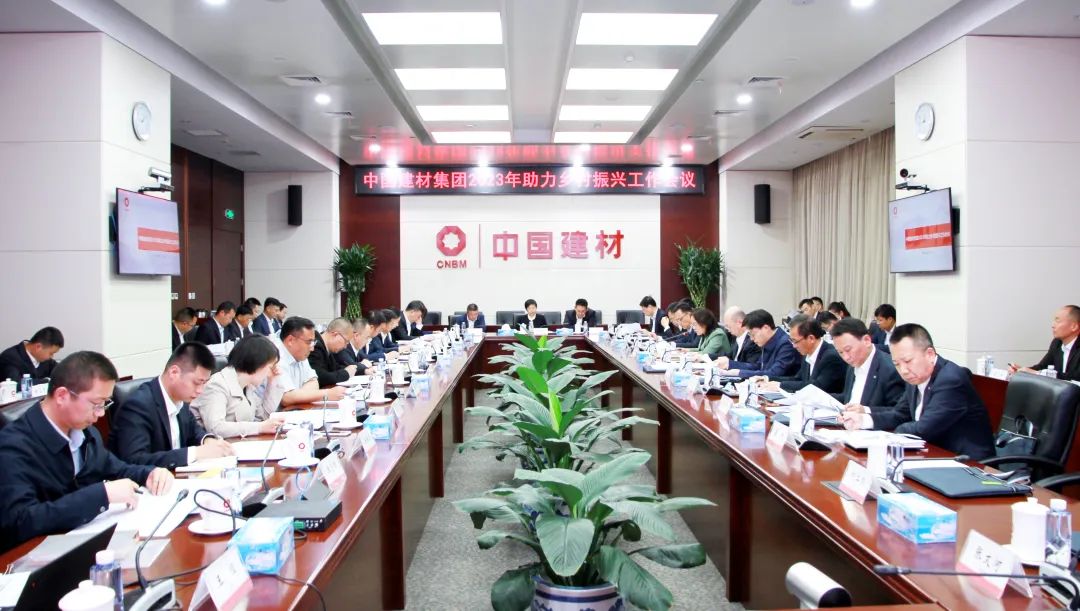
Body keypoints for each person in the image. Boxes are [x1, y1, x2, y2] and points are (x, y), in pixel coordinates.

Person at [0, 351, 174, 552]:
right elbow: (20, 521)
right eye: (97, 404)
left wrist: (149, 473)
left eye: (105, 404)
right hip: (34, 556)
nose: (100, 414)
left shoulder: (85, 432)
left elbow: (115, 468)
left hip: (86, 544)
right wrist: (100, 495)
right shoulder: (13, 446)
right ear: (62, 396)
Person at [841, 324, 995, 460]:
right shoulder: (916, 376)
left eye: (908, 361)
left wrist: (890, 434)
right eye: (897, 364)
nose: (903, 370)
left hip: (967, 463)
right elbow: (900, 414)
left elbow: (924, 429)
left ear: (930, 354)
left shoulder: (951, 380)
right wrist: (863, 420)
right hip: (932, 454)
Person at [109, 343, 233, 469]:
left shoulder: (181, 399)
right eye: (197, 383)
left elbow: (194, 430)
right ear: (174, 373)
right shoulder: (137, 406)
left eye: (204, 383)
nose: (200, 390)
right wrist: (195, 453)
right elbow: (135, 460)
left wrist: (207, 440)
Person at [190, 335, 285, 438]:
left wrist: (272, 381)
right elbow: (215, 428)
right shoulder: (217, 385)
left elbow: (264, 417)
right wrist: (259, 427)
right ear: (257, 363)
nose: (270, 373)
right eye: (270, 367)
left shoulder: (247, 386)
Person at [829, 318, 906, 408]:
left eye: (848, 350)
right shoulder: (852, 364)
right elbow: (850, 397)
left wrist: (865, 411)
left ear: (866, 340)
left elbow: (898, 411)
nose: (846, 357)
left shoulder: (890, 369)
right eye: (840, 352)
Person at [272, 317, 347, 407]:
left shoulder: (300, 354)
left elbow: (314, 381)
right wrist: (326, 394)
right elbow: (286, 398)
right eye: (309, 342)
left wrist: (297, 395)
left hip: (295, 409)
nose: (312, 348)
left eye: (313, 342)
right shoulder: (275, 356)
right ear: (290, 340)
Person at [715, 309, 801, 379]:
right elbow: (758, 367)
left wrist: (739, 373)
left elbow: (774, 373)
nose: (752, 339)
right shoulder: (767, 341)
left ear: (766, 328)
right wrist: (735, 370)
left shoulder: (786, 344)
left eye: (753, 334)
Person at [773, 316, 845, 393]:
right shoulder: (807, 353)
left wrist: (780, 385)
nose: (794, 346)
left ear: (811, 338)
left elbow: (817, 387)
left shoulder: (831, 356)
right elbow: (798, 379)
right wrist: (768, 379)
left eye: (795, 341)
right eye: (791, 341)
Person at [1010, 305, 1080, 381]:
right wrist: (1021, 371)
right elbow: (1042, 367)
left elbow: (1075, 376)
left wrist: (1037, 373)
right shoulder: (1057, 343)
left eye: (1058, 321)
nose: (1053, 325)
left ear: (1074, 326)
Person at [0, 326, 64, 383]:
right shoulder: (10, 358)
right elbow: (15, 384)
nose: (51, 357)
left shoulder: (45, 360)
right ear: (38, 347)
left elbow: (60, 370)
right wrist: (47, 380)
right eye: (51, 353)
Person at [309, 317, 359, 387]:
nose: (345, 347)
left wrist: (353, 370)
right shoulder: (315, 346)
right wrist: (346, 373)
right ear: (335, 335)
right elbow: (320, 377)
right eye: (346, 341)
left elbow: (335, 368)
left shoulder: (328, 348)